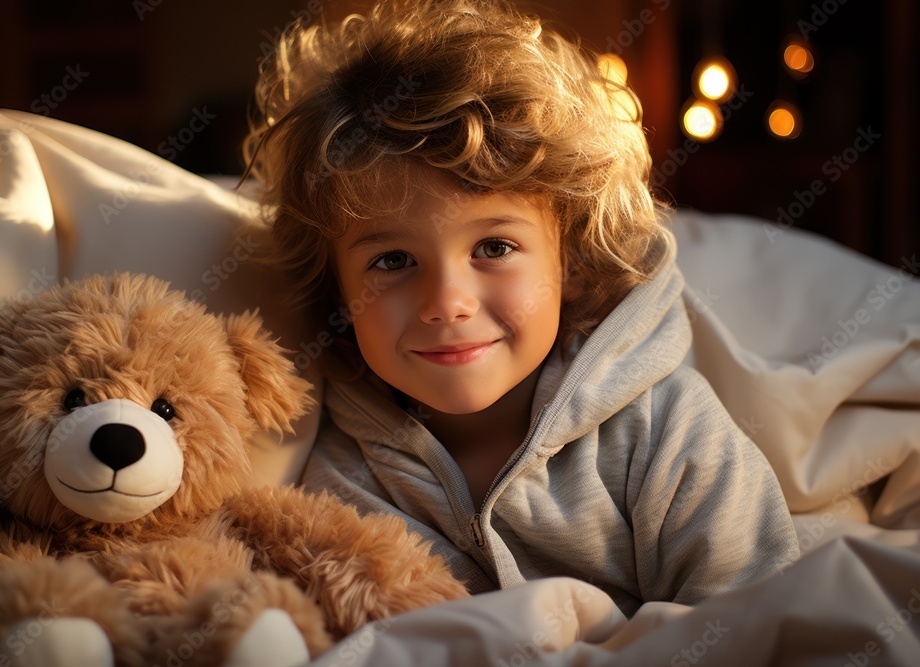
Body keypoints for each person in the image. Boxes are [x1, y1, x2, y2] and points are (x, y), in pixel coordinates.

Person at [242, 0, 800, 616]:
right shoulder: (335, 469)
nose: (447, 304)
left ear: (572, 263)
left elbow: (757, 627)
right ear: (337, 292)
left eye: (494, 247)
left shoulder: (666, 431)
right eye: (394, 261)